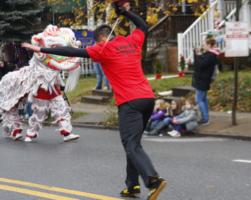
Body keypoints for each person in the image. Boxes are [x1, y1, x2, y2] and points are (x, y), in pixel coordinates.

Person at [22, 2, 167, 200]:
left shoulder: (102, 49)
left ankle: (153, 180)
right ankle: (132, 185)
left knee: (131, 145)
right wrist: (127, 12)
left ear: (100, 38)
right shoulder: (132, 41)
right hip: (148, 99)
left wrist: (41, 49)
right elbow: (143, 26)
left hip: (130, 103)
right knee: (133, 145)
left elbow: (73, 52)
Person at [192, 37, 220, 125]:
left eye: (204, 44)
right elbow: (198, 64)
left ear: (209, 45)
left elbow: (200, 65)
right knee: (203, 99)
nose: (203, 46)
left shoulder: (211, 55)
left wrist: (197, 55)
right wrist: (198, 55)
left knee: (199, 99)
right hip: (203, 79)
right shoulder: (210, 54)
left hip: (202, 80)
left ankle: (205, 118)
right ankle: (206, 117)